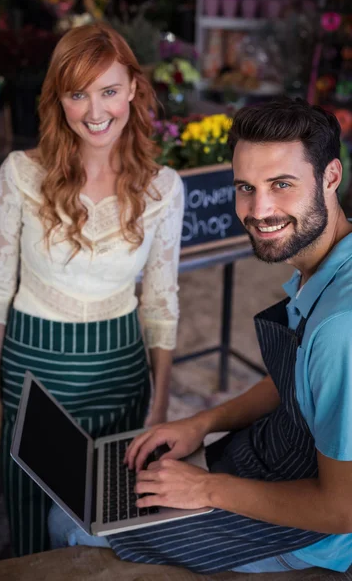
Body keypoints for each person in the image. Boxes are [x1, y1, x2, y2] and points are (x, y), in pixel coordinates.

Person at [49, 97, 352, 574]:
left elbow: (343, 509)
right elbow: (297, 382)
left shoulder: (342, 327)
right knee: (116, 486)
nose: (260, 210)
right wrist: (202, 423)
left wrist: (205, 489)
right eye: (246, 188)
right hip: (270, 457)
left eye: (282, 185)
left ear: (331, 177)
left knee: (70, 521)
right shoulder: (329, 267)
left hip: (314, 533)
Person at [0, 22, 184, 557]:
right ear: (58, 98)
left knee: (109, 530)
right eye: (78, 93)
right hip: (32, 371)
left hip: (120, 370)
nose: (95, 111)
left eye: (109, 90)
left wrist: (159, 407)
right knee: (31, 527)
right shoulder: (20, 174)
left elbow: (161, 303)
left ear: (134, 89)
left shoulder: (164, 188)